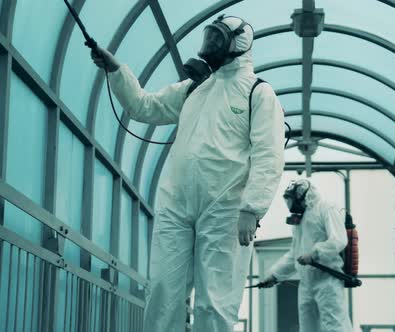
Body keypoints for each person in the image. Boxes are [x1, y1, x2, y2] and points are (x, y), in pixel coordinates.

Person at [91, 15, 285, 332]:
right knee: (163, 293)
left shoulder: (258, 94)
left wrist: (252, 208)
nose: (210, 45)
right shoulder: (193, 88)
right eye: (210, 37)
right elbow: (144, 106)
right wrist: (116, 70)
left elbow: (269, 152)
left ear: (239, 45)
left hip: (225, 208)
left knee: (215, 301)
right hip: (175, 203)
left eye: (218, 39)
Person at [260, 179, 353, 332]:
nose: (290, 205)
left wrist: (315, 253)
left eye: (291, 199)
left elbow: (339, 240)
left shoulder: (326, 208)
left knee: (335, 326)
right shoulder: (300, 221)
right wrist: (274, 275)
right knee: (308, 328)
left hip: (327, 281)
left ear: (302, 195)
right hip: (306, 285)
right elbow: (294, 255)